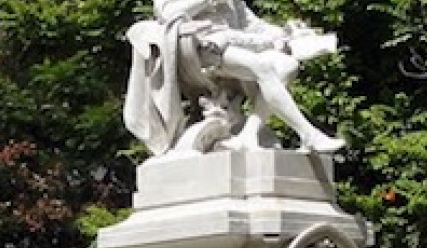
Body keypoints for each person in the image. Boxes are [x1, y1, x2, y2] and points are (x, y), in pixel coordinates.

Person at [123, 0, 344, 156]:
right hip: (202, 46)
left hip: (234, 43)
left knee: (288, 65)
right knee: (263, 68)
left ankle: (247, 136)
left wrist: (288, 32)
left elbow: (252, 25)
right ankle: (309, 134)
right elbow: (167, 13)